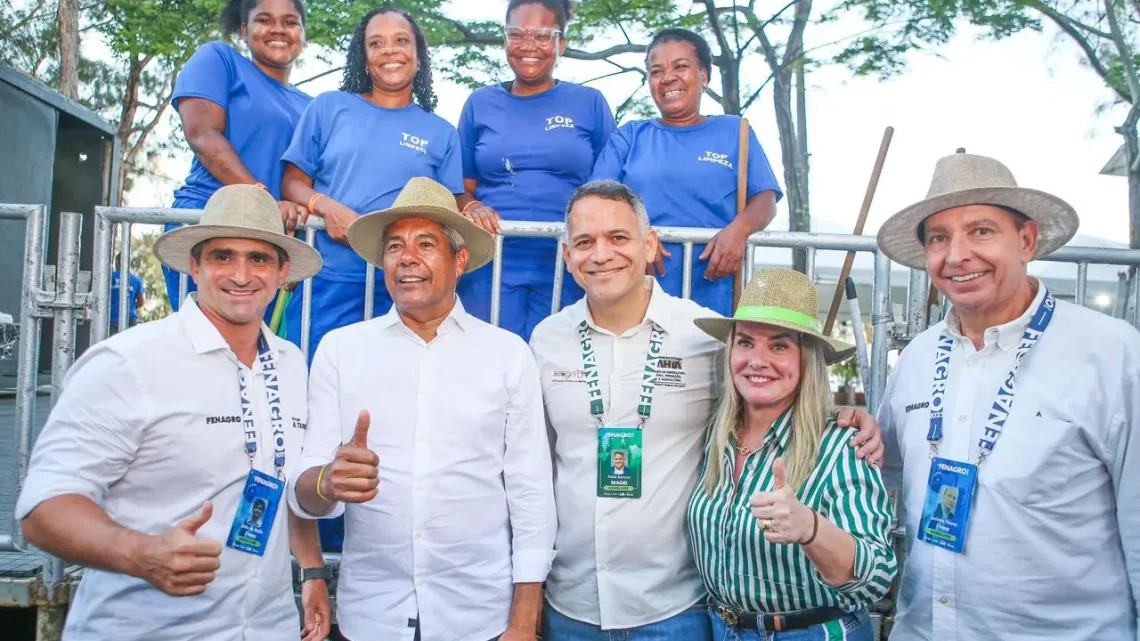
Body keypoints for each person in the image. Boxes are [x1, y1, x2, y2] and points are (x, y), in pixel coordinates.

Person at [528, 180, 883, 641]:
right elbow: (533, 467)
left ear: (649, 244)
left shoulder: (699, 335)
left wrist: (844, 417)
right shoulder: (546, 340)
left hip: (674, 610)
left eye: (618, 238)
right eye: (584, 242)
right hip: (571, 606)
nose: (601, 254)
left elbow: (767, 389)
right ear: (567, 254)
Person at [16, 185, 331, 641]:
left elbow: (280, 480)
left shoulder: (289, 362)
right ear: (195, 265)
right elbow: (43, 509)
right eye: (223, 256)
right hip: (147, 629)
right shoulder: (129, 363)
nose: (241, 275)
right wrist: (141, 553)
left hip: (266, 627)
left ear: (283, 272)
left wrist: (312, 571)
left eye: (259, 259)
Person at [875, 150, 1139, 640]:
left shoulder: (1113, 353)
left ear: (1027, 239)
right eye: (939, 238)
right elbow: (885, 472)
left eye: (981, 231)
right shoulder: (916, 357)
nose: (956, 255)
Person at [288, 177, 556, 641]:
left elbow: (531, 493)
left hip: (479, 617)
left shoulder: (508, 354)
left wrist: (523, 621)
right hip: (371, 617)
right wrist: (328, 481)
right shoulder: (340, 350)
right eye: (394, 246)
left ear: (460, 260)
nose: (407, 257)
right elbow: (305, 490)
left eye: (426, 243)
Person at [687, 267, 897, 640]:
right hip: (724, 629)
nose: (757, 360)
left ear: (807, 359)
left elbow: (876, 578)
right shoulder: (713, 434)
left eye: (779, 346)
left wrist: (811, 529)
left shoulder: (841, 446)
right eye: (746, 342)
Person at [281, 7, 463, 355]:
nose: (390, 50)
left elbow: (450, 211)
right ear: (364, 60)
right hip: (330, 278)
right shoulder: (329, 108)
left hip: (406, 287)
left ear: (419, 56)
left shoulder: (443, 133)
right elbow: (292, 183)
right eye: (376, 43)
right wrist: (326, 207)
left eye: (401, 41)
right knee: (317, 385)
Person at [590, 28, 781, 317]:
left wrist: (739, 230)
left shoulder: (735, 132)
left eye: (681, 66)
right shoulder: (630, 136)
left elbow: (765, 200)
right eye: (656, 71)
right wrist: (636, 241)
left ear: (704, 75)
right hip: (636, 285)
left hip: (713, 287)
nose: (667, 78)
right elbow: (596, 202)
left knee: (706, 359)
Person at [455, 0, 615, 340]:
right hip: (492, 262)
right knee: (491, 364)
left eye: (543, 35)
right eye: (517, 34)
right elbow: (461, 187)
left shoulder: (590, 103)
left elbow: (611, 191)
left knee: (561, 368)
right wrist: (472, 206)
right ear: (505, 40)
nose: (529, 45)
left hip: (569, 261)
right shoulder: (479, 104)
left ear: (561, 44)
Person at [163, 0, 312, 315]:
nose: (278, 30)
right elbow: (203, 135)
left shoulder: (311, 107)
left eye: (290, 22)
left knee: (255, 352)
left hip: (270, 236)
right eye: (264, 20)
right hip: (210, 219)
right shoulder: (219, 59)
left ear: (302, 33)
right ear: (244, 30)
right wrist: (264, 200)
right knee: (208, 343)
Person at [110, 254, 145, 333]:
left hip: (112, 319)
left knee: (112, 344)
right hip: (130, 318)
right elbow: (141, 302)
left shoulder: (110, 278)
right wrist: (129, 306)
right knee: (130, 344)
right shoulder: (136, 280)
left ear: (117, 263)